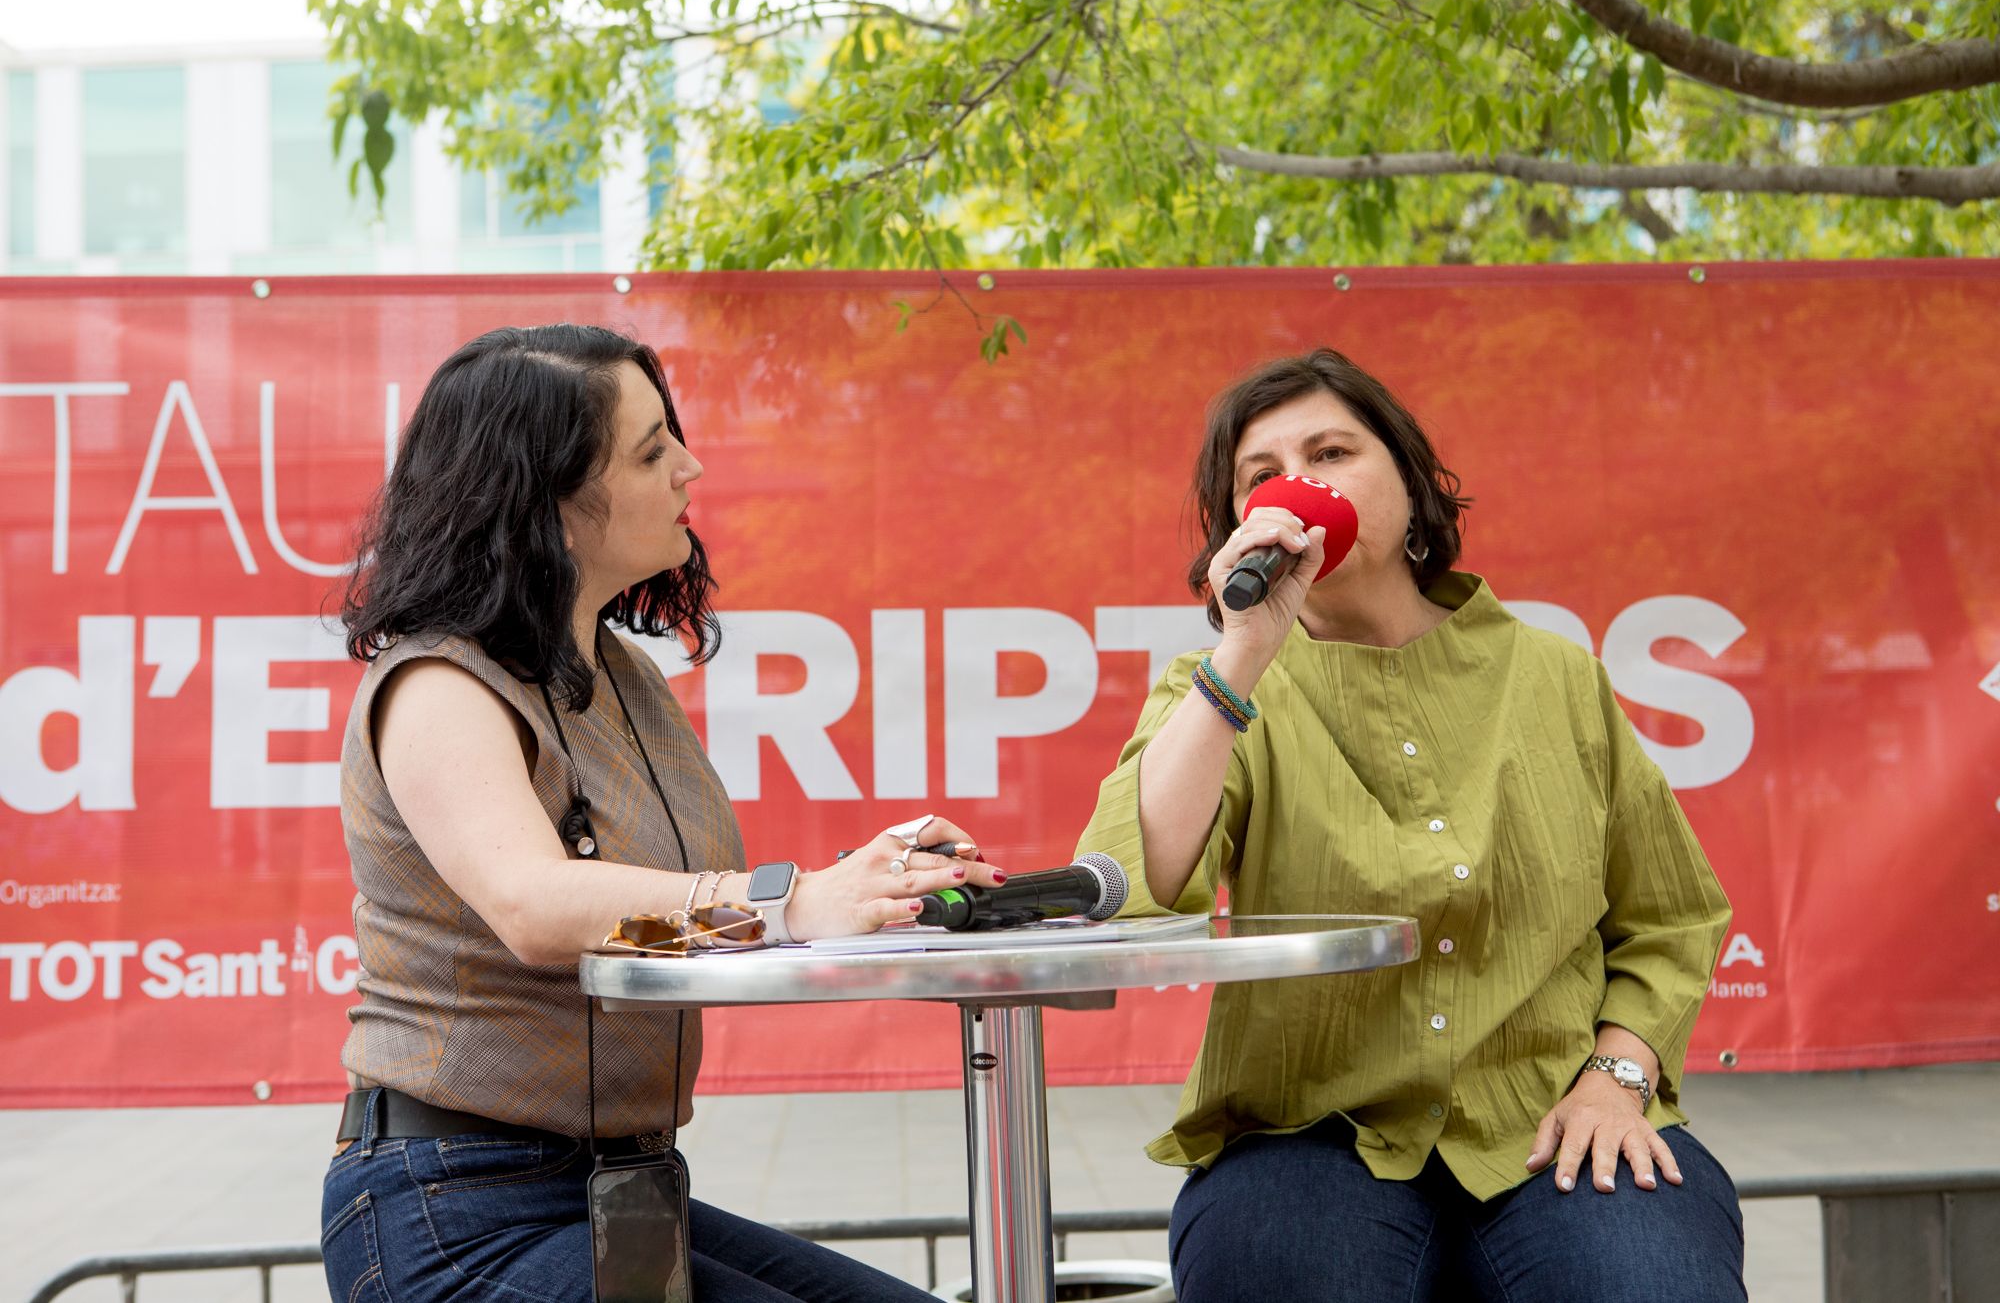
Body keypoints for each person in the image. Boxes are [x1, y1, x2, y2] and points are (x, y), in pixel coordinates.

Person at [320, 323, 1002, 1303]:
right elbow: (536, 906)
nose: (690, 466)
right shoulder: (438, 682)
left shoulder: (623, 675)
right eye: (650, 450)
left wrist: (863, 882)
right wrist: (792, 902)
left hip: (611, 1186)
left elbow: (654, 917)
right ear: (546, 506)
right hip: (450, 1215)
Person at [1075, 348, 1745, 1301]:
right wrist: (1245, 652)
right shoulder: (1218, 687)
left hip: (1556, 1115)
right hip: (1304, 1138)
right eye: (1259, 475)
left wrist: (1617, 1078)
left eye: (1331, 451)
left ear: (1412, 482)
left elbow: (1671, 919)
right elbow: (1131, 877)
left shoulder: (1555, 675)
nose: (1296, 482)